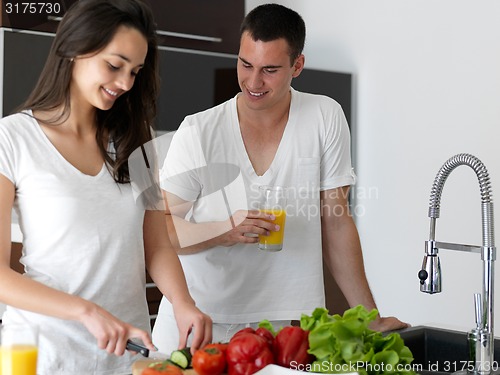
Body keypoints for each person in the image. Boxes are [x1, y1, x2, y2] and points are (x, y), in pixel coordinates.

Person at [152, 3, 408, 353]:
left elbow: (336, 224)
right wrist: (224, 230)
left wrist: (370, 317)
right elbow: (163, 231)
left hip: (281, 327)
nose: (253, 82)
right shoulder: (198, 130)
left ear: (297, 66)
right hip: (197, 321)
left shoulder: (324, 117)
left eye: (270, 70)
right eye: (245, 64)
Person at [0, 0, 212, 373]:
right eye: (114, 66)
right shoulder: (13, 139)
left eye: (135, 71)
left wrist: (183, 302)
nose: (125, 84)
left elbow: (156, 242)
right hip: (46, 354)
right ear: (73, 49)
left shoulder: (134, 137)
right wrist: (87, 312)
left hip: (127, 355)